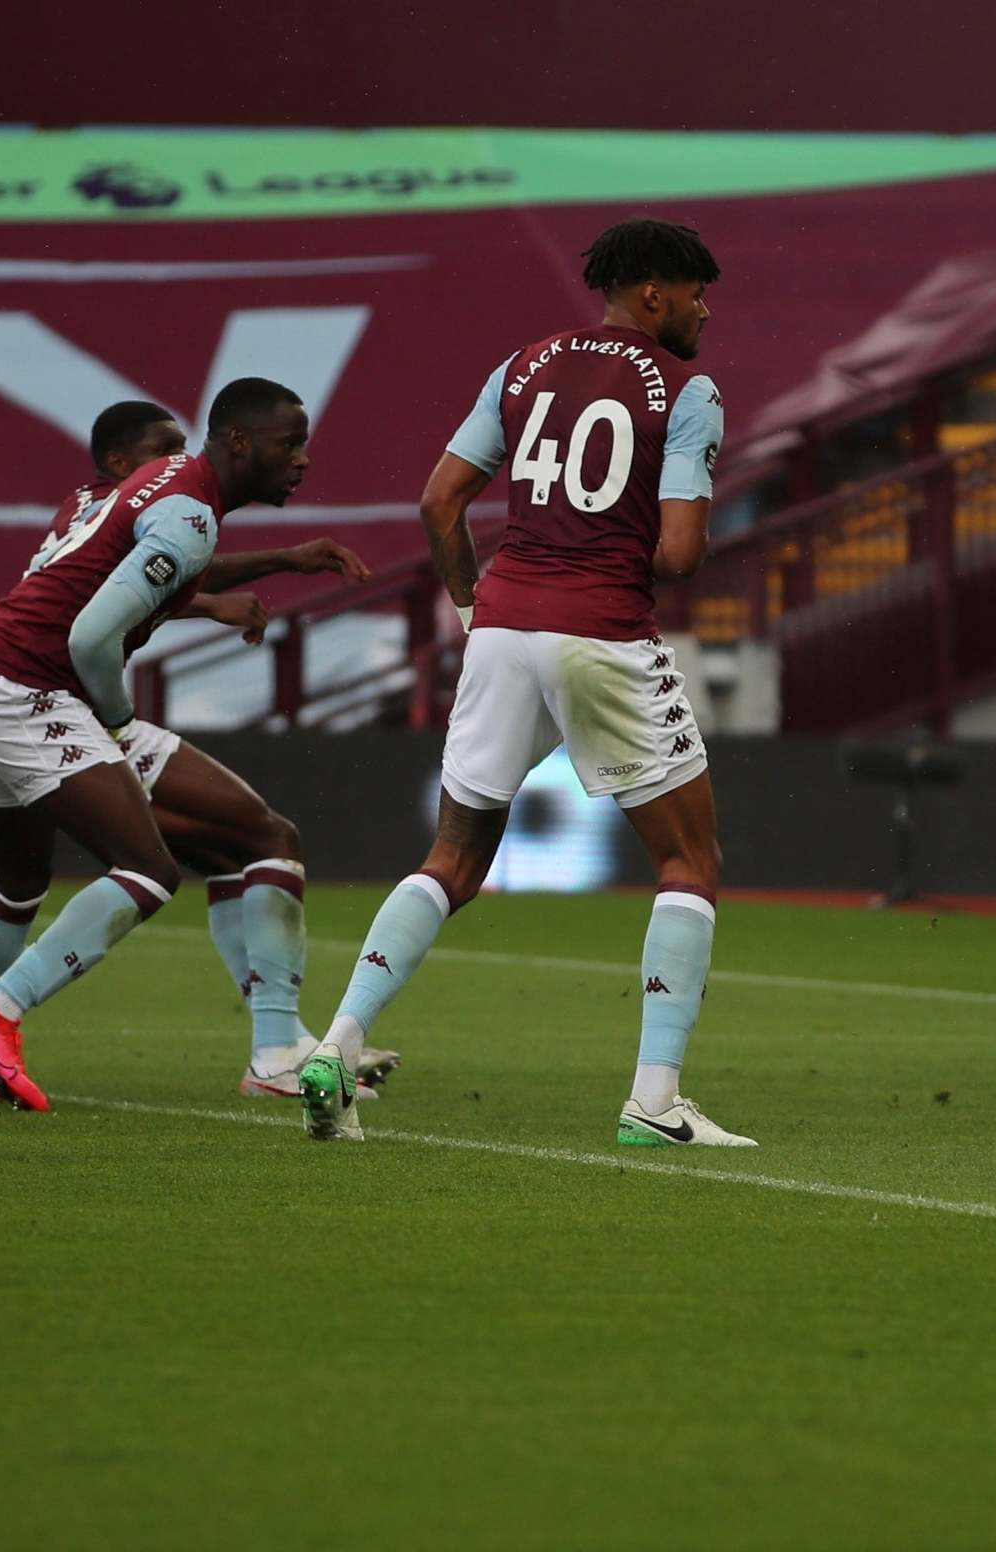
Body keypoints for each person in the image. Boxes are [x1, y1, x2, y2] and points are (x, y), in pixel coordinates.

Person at [296, 218, 753, 1149]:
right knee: (689, 862)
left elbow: (438, 501)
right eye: (697, 292)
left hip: (502, 629)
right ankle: (654, 1099)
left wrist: (471, 601)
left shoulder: (524, 363)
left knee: (453, 861)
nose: (707, 309)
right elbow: (677, 553)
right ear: (654, 293)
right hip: (603, 633)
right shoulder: (687, 388)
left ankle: (337, 1045)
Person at [0, 400, 397, 1106]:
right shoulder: (187, 510)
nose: (304, 459)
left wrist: (267, 567)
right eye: (292, 444)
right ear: (241, 442)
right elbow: (91, 637)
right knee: (153, 867)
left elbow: (143, 577)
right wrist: (120, 723)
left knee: (29, 873)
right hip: (35, 689)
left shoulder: (129, 496)